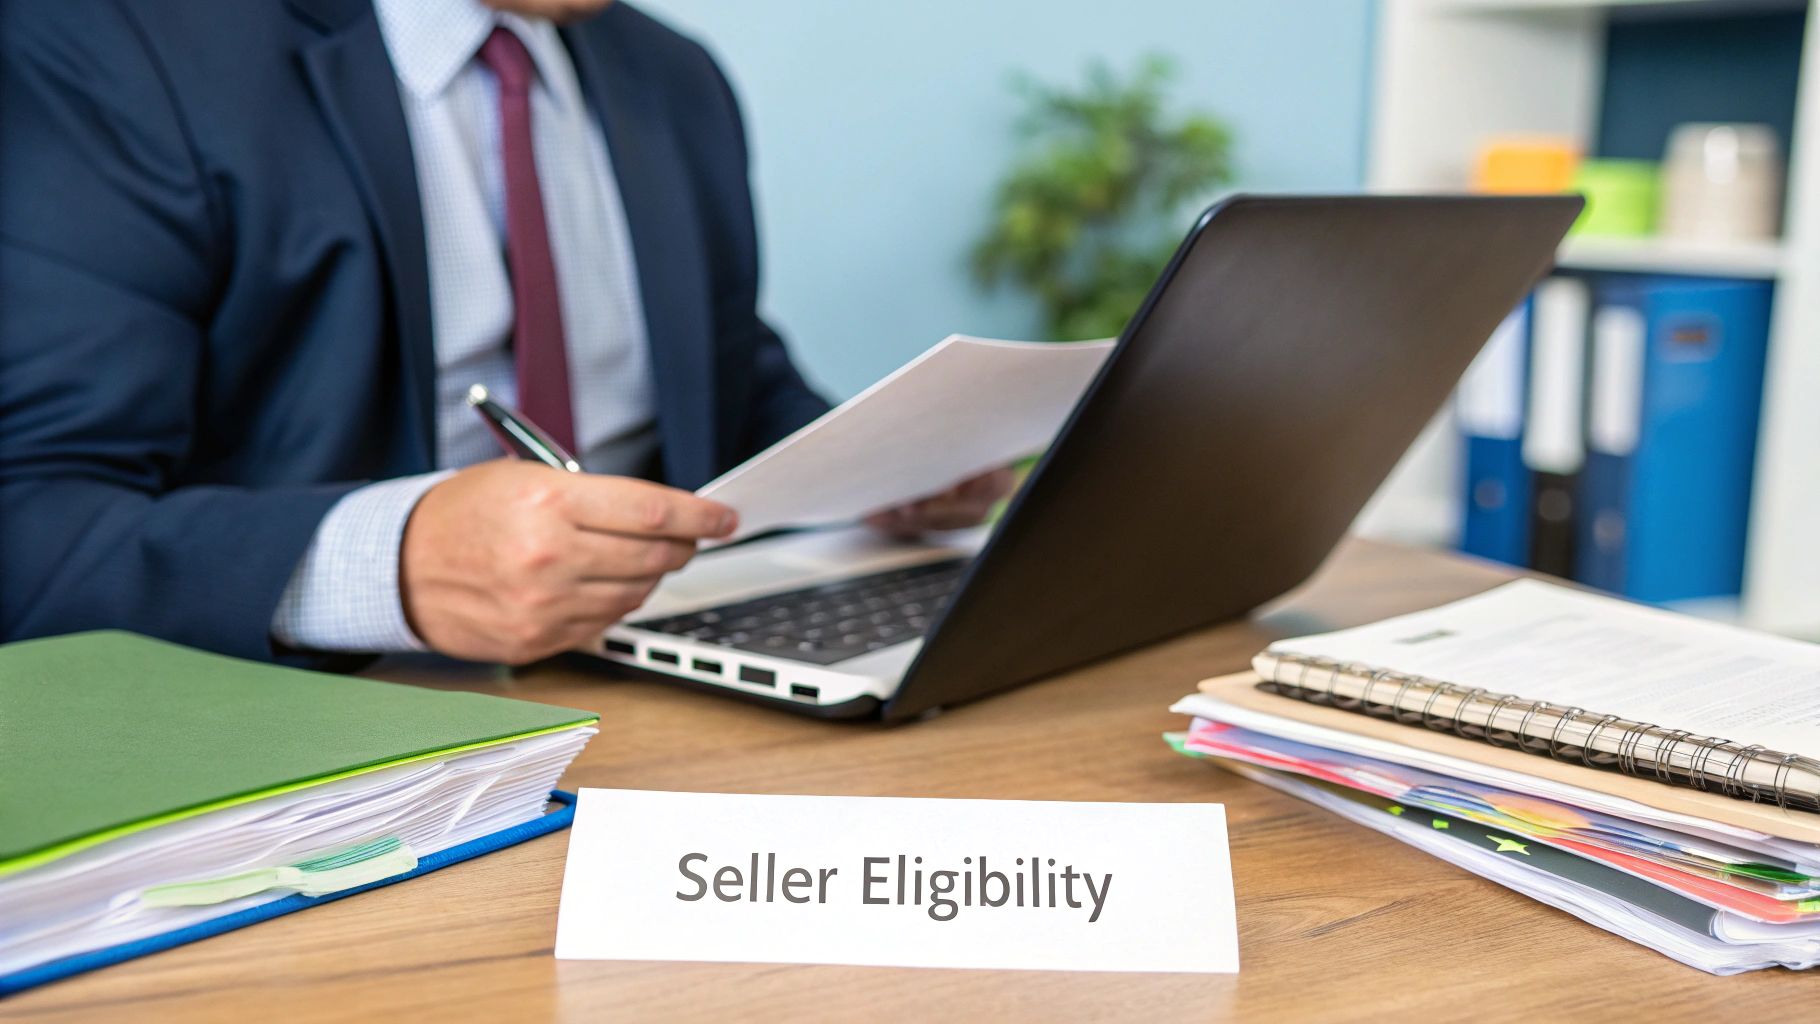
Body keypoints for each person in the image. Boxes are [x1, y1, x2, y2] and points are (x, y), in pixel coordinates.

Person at [0, 0, 1012, 666]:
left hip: (657, 686)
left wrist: (874, 470)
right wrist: (387, 565)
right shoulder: (114, 50)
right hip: (326, 742)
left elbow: (729, 390)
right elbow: (34, 528)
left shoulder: (672, 77)